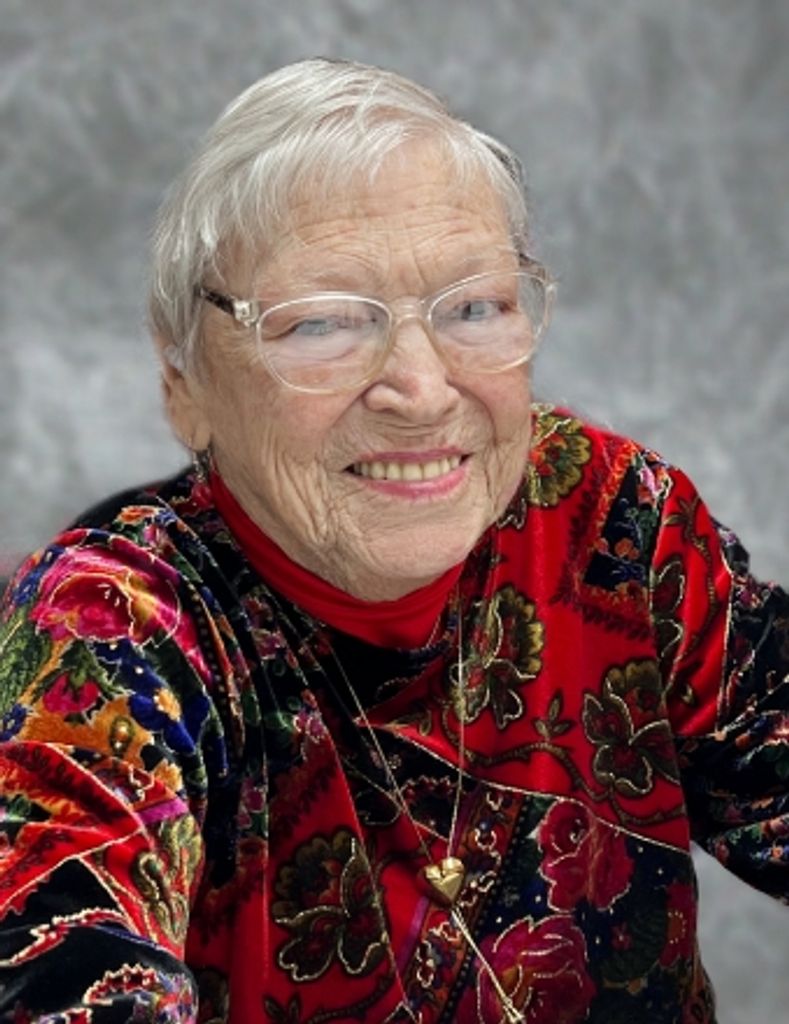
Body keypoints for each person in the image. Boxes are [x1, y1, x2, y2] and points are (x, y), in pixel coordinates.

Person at [0, 57, 786, 1024]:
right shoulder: (111, 629)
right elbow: (59, 978)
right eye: (321, 325)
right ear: (184, 386)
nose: (419, 390)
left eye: (472, 308)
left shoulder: (610, 520)